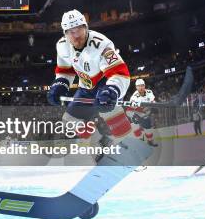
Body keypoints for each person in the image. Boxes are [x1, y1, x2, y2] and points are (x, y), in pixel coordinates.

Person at [47, 9, 141, 141]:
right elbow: (65, 70)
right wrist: (60, 84)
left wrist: (112, 90)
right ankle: (102, 143)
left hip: (104, 84)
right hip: (85, 87)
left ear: (85, 27)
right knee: (70, 121)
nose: (75, 36)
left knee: (113, 117)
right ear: (65, 33)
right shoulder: (62, 46)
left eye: (78, 29)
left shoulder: (101, 44)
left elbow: (120, 73)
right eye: (70, 32)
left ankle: (133, 147)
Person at [128, 79, 158, 146]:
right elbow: (129, 110)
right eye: (139, 86)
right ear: (136, 87)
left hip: (146, 114)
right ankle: (140, 142)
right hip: (137, 115)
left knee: (148, 129)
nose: (141, 87)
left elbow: (153, 101)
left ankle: (150, 142)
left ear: (144, 86)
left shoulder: (149, 92)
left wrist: (154, 106)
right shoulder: (134, 97)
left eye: (142, 85)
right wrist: (133, 117)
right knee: (135, 127)